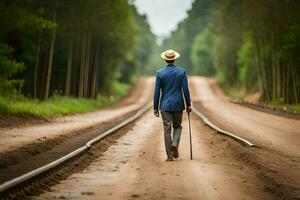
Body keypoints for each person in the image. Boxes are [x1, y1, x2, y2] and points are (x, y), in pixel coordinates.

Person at [153, 49, 192, 162]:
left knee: (166, 129)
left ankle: (170, 156)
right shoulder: (182, 72)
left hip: (165, 106)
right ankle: (175, 143)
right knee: (177, 126)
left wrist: (155, 107)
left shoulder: (160, 73)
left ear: (165, 59)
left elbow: (157, 92)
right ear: (174, 59)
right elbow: (185, 90)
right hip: (178, 105)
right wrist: (188, 104)